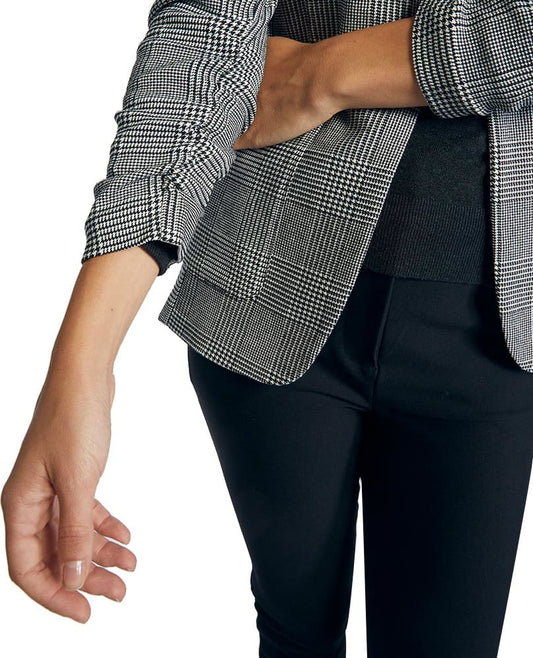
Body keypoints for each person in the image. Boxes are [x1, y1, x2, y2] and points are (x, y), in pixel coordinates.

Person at [2, 1, 532, 657]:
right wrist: (81, 371)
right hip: (263, 287)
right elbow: (206, 34)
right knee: (291, 629)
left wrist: (326, 73)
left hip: (499, 321)